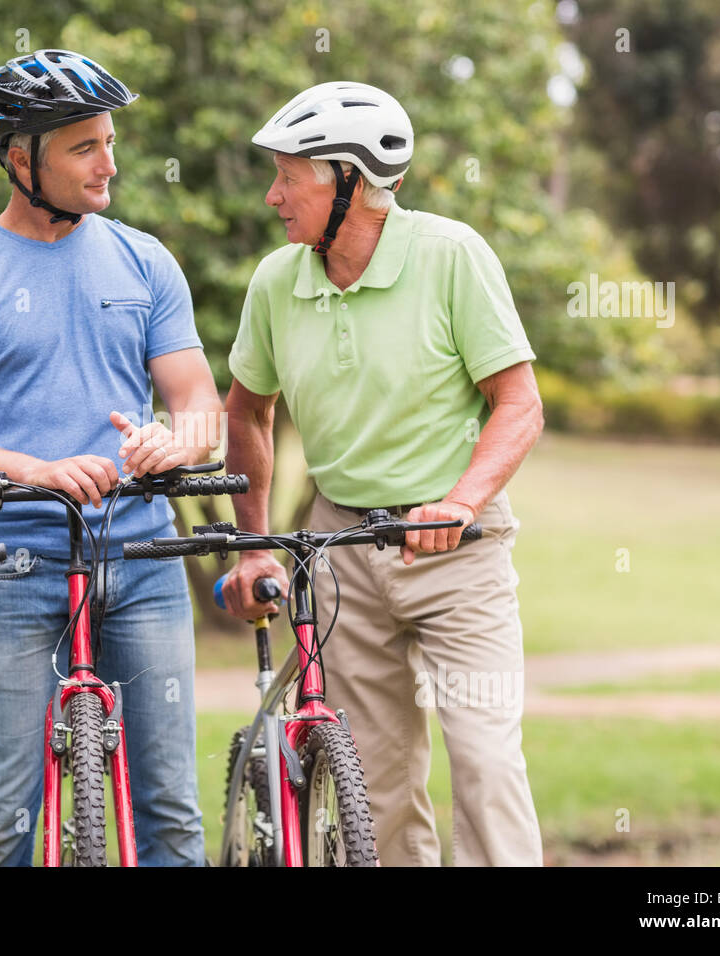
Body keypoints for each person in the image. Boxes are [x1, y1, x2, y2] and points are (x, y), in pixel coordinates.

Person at [0, 49, 222, 866]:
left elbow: (199, 406)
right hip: (17, 569)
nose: (109, 163)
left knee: (173, 822)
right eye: (84, 147)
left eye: (109, 141)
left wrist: (173, 443)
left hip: (147, 563)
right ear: (20, 157)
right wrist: (34, 469)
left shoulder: (145, 259)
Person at [220, 82, 545, 866]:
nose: (272, 196)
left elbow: (520, 405)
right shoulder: (276, 282)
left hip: (458, 550)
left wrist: (461, 500)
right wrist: (255, 545)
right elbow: (247, 414)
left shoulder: (451, 255)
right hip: (341, 549)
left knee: (487, 766)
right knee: (377, 784)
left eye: (287, 176)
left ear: (350, 183)